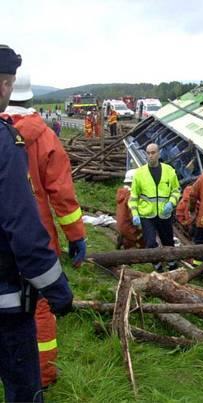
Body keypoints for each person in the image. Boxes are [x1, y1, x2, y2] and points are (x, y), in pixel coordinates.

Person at [3, 66, 87, 388]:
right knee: (38, 308)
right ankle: (43, 377)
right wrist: (76, 236)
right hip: (33, 236)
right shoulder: (44, 135)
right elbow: (62, 194)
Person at [128, 143, 181, 271]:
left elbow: (176, 190)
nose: (150, 156)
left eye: (153, 153)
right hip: (147, 214)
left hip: (164, 213)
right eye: (148, 153)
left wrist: (171, 203)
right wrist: (135, 213)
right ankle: (157, 266)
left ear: (159, 153)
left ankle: (172, 265)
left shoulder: (169, 171)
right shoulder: (140, 174)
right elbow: (134, 196)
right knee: (150, 243)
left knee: (168, 242)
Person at [116, 169, 144, 249]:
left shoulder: (122, 193)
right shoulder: (130, 197)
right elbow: (133, 216)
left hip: (122, 227)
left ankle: (125, 241)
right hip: (130, 229)